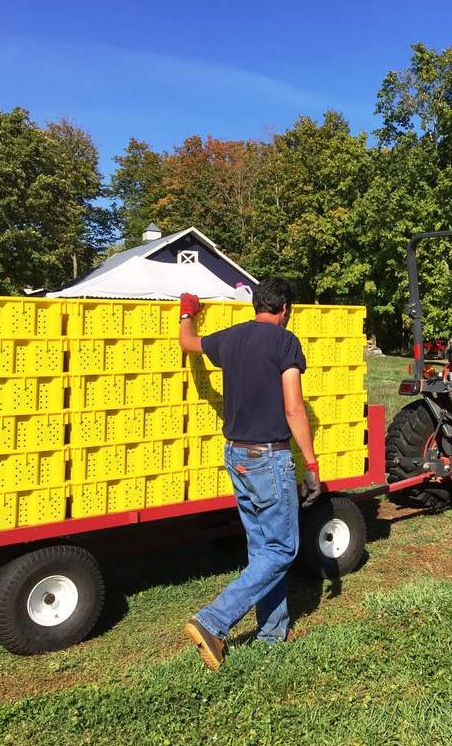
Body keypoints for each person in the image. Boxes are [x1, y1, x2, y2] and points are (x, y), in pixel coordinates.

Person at [176, 278, 321, 670]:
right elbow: (294, 409)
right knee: (283, 549)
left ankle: (273, 632)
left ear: (256, 304)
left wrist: (187, 312)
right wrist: (311, 463)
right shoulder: (285, 343)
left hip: (235, 455)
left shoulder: (231, 338)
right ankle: (213, 620)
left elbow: (188, 343)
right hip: (268, 459)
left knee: (262, 547)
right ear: (285, 308)